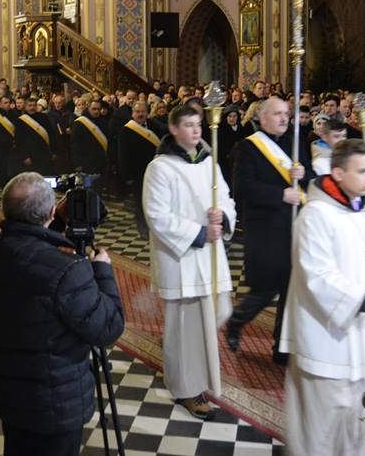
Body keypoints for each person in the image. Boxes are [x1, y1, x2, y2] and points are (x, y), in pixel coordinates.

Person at [0, 172, 124, 456]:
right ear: (52, 212)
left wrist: (53, 224)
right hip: (54, 402)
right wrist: (102, 271)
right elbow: (108, 327)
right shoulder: (68, 269)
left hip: (9, 391)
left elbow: (26, 251)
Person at [279, 139, 365, 456]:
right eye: (362, 171)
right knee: (321, 431)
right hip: (326, 337)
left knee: (364, 422)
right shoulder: (315, 215)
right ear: (338, 173)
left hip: (362, 333)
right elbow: (317, 276)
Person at [143, 104, 236, 420]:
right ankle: (186, 389)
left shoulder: (208, 161)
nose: (196, 130)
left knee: (219, 312)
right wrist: (199, 233)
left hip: (209, 254)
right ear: (173, 129)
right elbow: (157, 216)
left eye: (198, 124)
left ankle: (186, 364)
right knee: (186, 327)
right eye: (188, 125)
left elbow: (226, 198)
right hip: (182, 257)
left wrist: (223, 216)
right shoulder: (160, 168)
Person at [226, 96, 313, 363]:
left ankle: (282, 348)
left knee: (290, 288)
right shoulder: (248, 148)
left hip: (294, 226)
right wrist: (280, 194)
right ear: (263, 118)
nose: (284, 118)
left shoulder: (294, 143)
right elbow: (242, 187)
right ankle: (236, 321)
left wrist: (303, 175)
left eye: (286, 113)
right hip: (264, 228)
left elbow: (310, 180)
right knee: (264, 289)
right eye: (277, 114)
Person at [118, 100, 161, 238]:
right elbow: (123, 155)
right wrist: (127, 175)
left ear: (147, 113)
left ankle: (155, 226)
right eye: (137, 112)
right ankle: (142, 227)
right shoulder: (126, 130)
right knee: (141, 202)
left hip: (155, 171)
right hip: (137, 173)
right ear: (132, 113)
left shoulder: (154, 126)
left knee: (155, 200)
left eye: (143, 112)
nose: (140, 114)